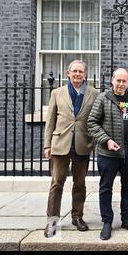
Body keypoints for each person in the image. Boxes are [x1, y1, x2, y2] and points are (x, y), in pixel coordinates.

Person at [43, 60, 99, 238]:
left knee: (80, 184)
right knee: (56, 183)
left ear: (85, 74)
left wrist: (95, 142)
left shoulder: (94, 93)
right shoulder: (57, 93)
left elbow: (97, 119)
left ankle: (77, 217)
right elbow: (50, 122)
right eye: (74, 71)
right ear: (68, 73)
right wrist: (47, 145)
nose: (77, 74)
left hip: (83, 144)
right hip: (60, 144)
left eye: (80, 71)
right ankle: (52, 220)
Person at [87, 68, 128, 240]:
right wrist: (106, 140)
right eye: (118, 80)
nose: (121, 84)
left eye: (124, 81)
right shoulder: (103, 98)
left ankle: (126, 218)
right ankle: (107, 222)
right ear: (112, 80)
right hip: (108, 153)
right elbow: (92, 123)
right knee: (106, 187)